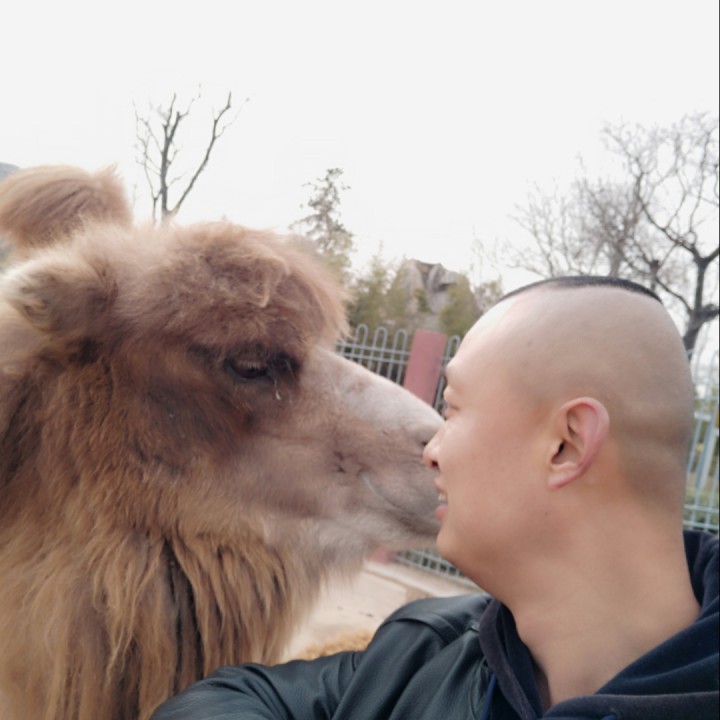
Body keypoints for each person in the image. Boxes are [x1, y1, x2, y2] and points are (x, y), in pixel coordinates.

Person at [152, 276, 719, 720]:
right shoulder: (424, 649)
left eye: (454, 409)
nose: (432, 450)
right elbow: (225, 698)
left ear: (565, 445)